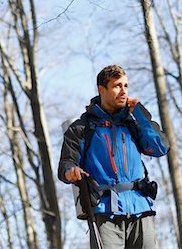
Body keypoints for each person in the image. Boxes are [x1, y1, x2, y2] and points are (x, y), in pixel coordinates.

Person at [58, 65, 169, 249]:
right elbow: (65, 164)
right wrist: (71, 171)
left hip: (141, 207)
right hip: (104, 212)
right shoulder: (81, 128)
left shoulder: (133, 122)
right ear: (101, 90)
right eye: (117, 86)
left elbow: (161, 147)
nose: (123, 91)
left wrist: (140, 114)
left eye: (126, 86)